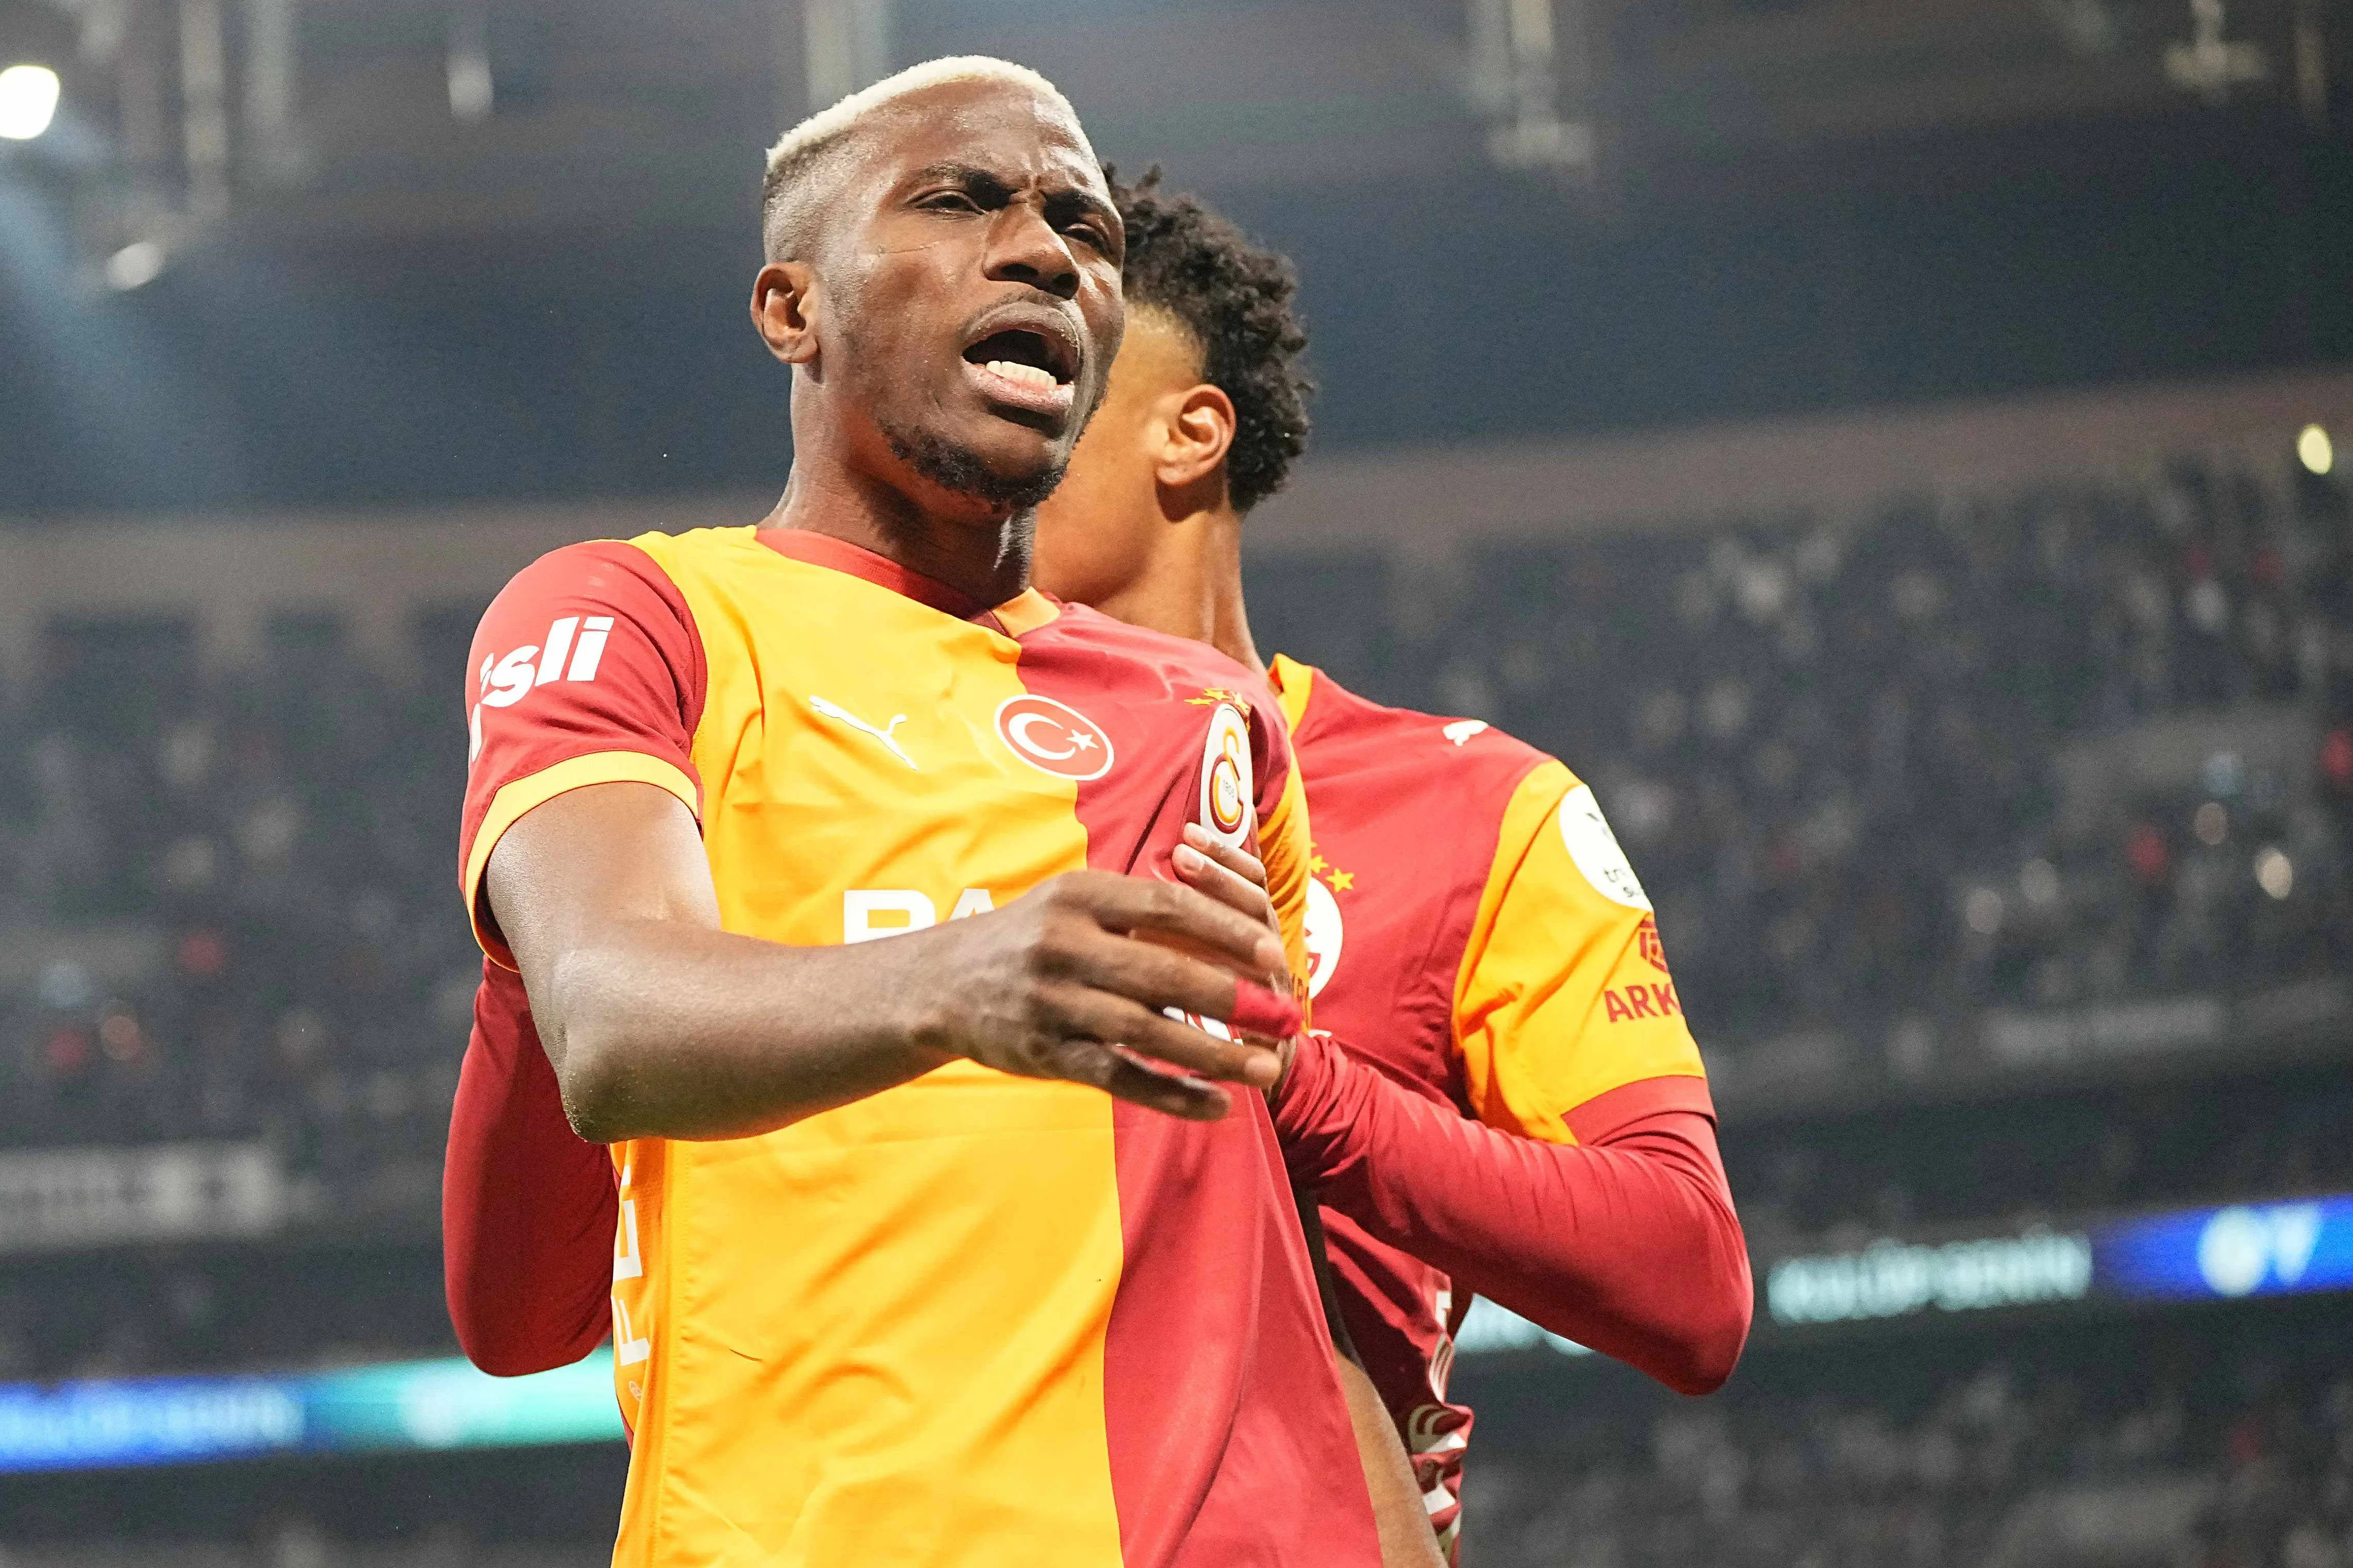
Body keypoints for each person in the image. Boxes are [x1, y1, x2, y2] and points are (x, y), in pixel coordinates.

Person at [449, 57, 1403, 1566]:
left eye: (1081, 229)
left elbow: (1276, 1229)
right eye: (959, 200)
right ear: (792, 310)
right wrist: (956, 978)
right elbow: (611, 1025)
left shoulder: (1213, 720)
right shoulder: (641, 615)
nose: (1043, 250)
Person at [1030, 171, 1753, 1558]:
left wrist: (1293, 1085)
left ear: (1187, 435)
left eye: (1047, 385)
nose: (984, 441)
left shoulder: (1476, 809)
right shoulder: (878, 788)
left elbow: (1687, 1282)